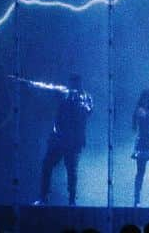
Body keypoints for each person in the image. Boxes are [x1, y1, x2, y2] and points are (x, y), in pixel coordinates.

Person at [15, 73, 93, 206]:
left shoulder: (86, 97)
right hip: (59, 139)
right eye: (71, 83)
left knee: (71, 170)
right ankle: (44, 197)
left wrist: (76, 101)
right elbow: (46, 88)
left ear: (80, 84)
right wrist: (30, 85)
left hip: (73, 141)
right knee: (47, 166)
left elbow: (87, 111)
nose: (72, 85)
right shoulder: (64, 92)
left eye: (75, 83)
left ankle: (72, 200)